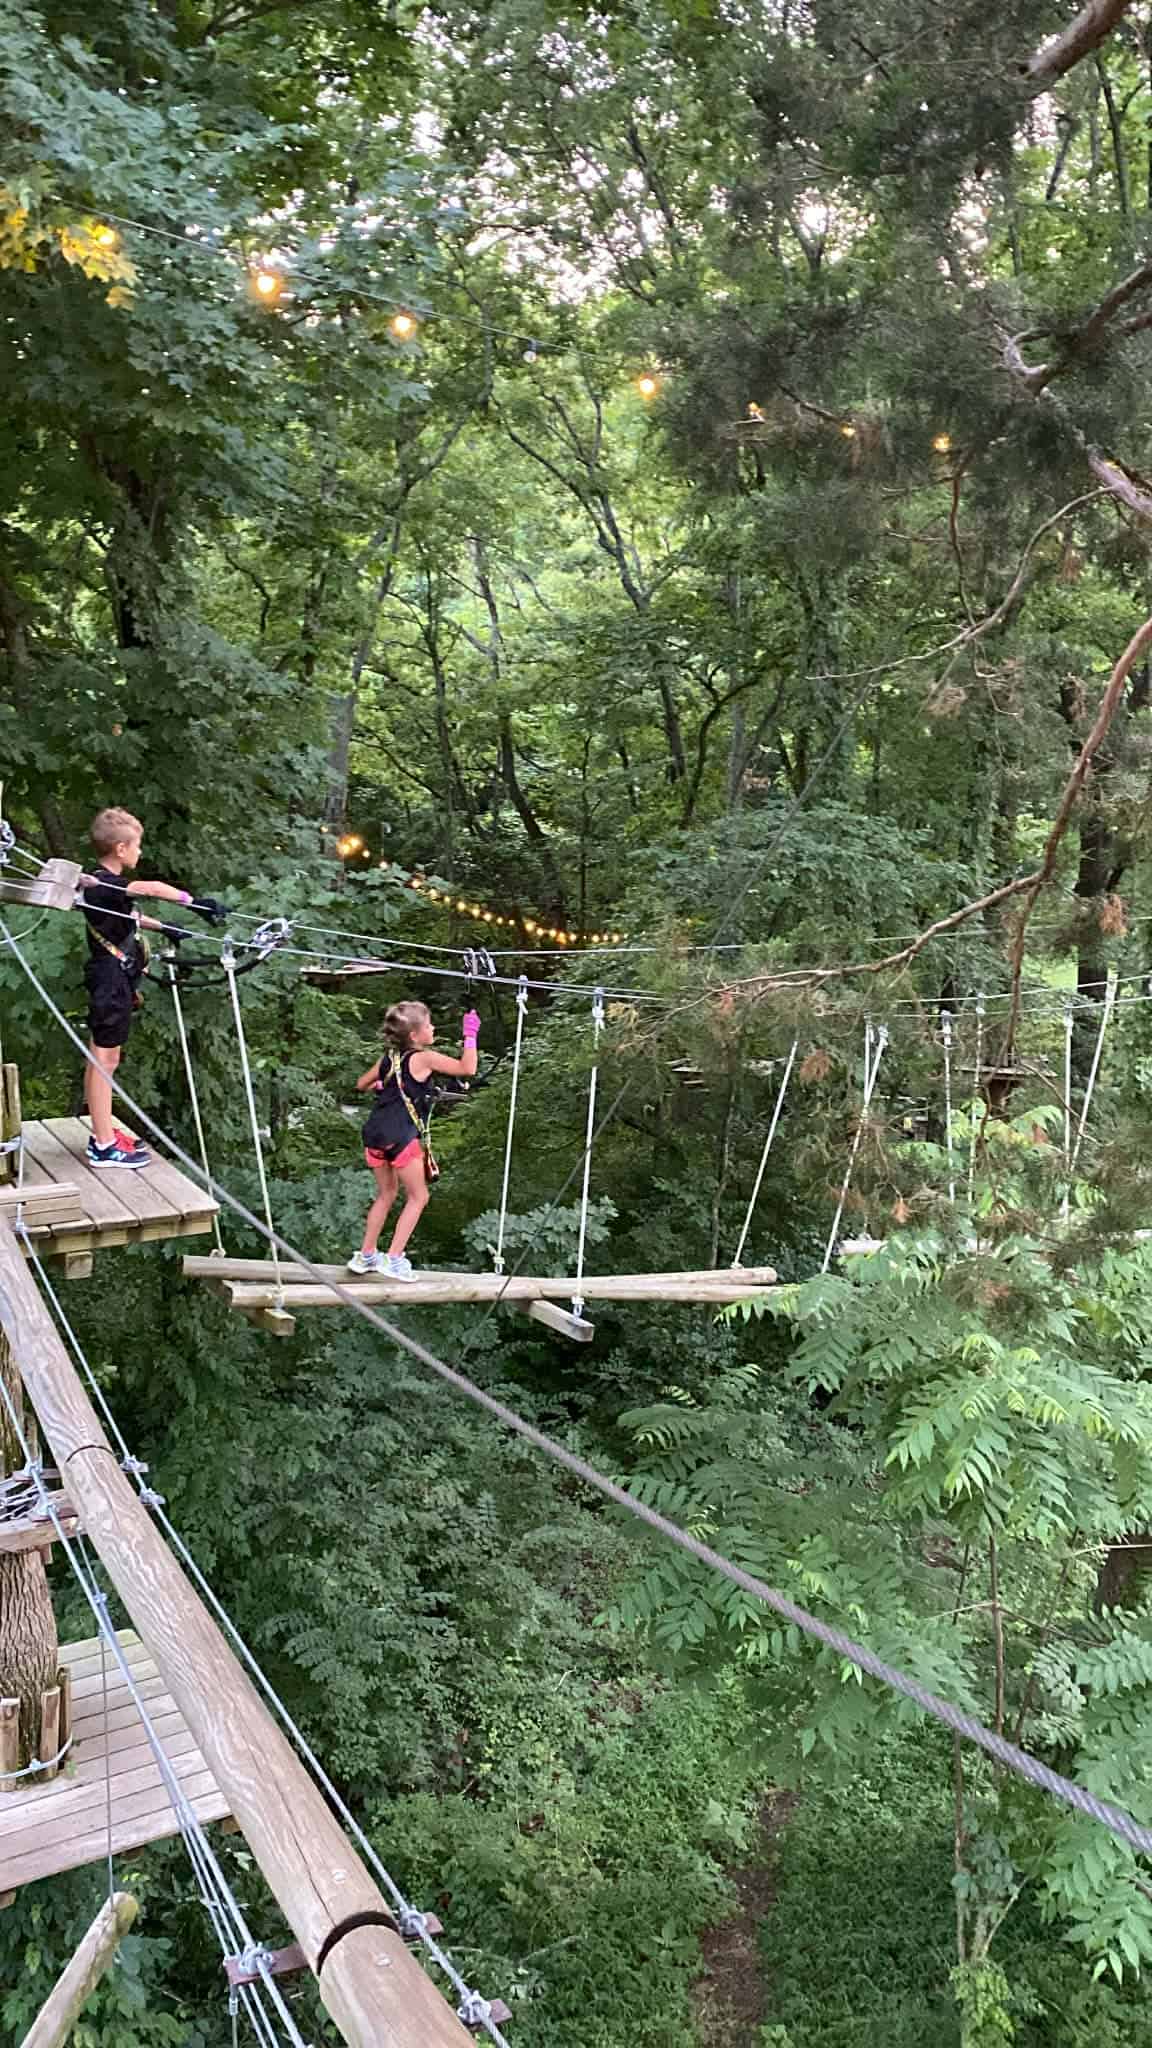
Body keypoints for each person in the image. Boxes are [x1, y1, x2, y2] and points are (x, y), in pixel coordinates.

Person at [80, 807, 226, 1168]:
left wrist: (167, 928)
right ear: (120, 849)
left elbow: (130, 918)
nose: (140, 852)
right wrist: (193, 903)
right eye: (137, 846)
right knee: (104, 1060)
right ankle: (102, 1144)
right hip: (109, 982)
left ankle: (103, 1132)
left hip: (113, 980)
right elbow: (151, 888)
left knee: (104, 1058)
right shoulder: (104, 884)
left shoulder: (105, 888)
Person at [350, 1000, 480, 1278]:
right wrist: (470, 1035)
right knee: (419, 1197)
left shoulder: (388, 1059)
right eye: (429, 1025)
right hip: (400, 1137)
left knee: (386, 1194)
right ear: (414, 1035)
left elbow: (361, 1085)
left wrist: (381, 1085)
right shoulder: (425, 1058)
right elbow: (467, 1068)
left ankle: (367, 1255)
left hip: (374, 1134)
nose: (433, 1028)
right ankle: (394, 1259)